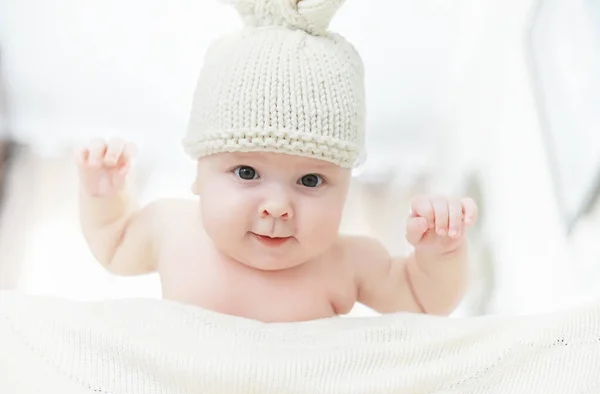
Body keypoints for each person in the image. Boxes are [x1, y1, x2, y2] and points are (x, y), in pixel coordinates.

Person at [75, 0, 478, 323]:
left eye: (311, 181)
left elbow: (424, 302)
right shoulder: (172, 229)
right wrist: (103, 197)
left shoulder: (348, 261)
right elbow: (113, 243)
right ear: (198, 172)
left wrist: (440, 254)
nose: (278, 207)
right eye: (247, 172)